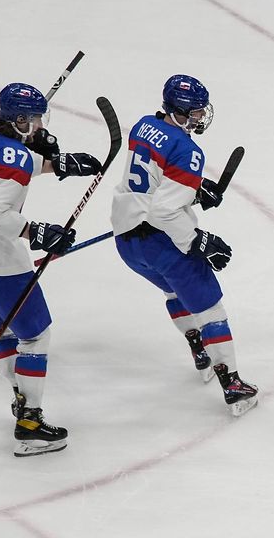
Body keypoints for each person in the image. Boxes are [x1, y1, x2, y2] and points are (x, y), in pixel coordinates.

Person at [0, 82, 102, 456]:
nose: (38, 125)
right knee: (35, 336)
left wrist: (54, 164)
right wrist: (37, 232)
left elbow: (1, 167)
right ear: (17, 120)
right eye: (32, 119)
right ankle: (29, 422)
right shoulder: (13, 156)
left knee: (10, 335)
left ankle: (21, 399)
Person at [110, 74, 257, 417]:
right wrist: (198, 239)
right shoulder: (189, 150)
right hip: (162, 242)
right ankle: (232, 384)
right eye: (194, 111)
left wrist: (194, 186)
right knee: (211, 310)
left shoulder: (144, 126)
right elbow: (163, 209)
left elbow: (155, 178)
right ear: (177, 111)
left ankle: (198, 349)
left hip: (127, 241)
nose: (200, 117)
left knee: (174, 293)